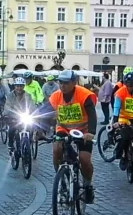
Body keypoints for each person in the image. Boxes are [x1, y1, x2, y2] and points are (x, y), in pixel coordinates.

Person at [34, 70, 98, 203]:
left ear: (74, 83)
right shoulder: (56, 96)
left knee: (84, 159)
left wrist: (90, 132)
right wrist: (39, 129)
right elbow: (44, 112)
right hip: (64, 129)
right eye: (60, 82)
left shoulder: (83, 95)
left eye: (66, 83)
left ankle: (87, 185)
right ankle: (61, 178)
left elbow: (92, 114)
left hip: (83, 130)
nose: (62, 86)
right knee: (56, 149)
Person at [6, 78, 36, 151]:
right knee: (11, 129)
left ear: (23, 86)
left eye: (21, 86)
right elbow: (7, 106)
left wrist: (33, 112)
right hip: (14, 117)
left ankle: (29, 141)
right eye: (17, 86)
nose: (19, 88)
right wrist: (8, 113)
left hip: (25, 116)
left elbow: (31, 105)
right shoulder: (10, 95)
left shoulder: (27, 95)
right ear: (15, 86)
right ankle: (10, 144)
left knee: (31, 128)